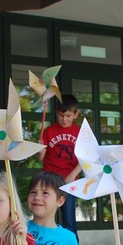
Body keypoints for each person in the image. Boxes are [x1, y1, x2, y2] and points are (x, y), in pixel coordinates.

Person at [38, 94, 83, 234]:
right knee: (45, 217)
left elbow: (86, 159)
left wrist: (72, 175)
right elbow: (40, 158)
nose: (64, 119)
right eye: (61, 115)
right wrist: (39, 150)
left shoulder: (81, 133)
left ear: (75, 114)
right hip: (49, 179)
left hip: (69, 182)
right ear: (56, 112)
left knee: (69, 221)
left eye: (68, 116)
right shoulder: (49, 131)